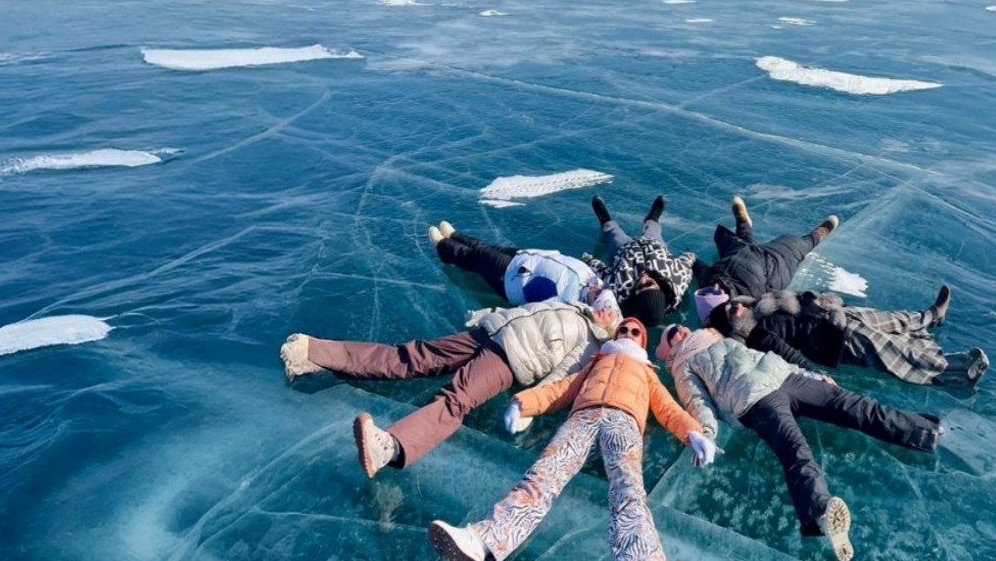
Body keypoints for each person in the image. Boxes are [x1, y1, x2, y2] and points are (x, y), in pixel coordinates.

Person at [428, 318, 718, 561]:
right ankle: (481, 541)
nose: (628, 333)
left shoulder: (646, 372)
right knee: (543, 476)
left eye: (635, 331)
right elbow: (560, 389)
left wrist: (693, 432)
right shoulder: (595, 363)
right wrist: (524, 403)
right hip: (583, 418)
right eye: (624, 329)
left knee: (628, 487)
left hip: (624, 422)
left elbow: (668, 409)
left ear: (642, 342)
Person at [657, 324, 940, 561]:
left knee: (856, 406)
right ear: (669, 350)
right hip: (756, 400)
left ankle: (922, 431)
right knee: (796, 452)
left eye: (679, 327)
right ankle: (822, 514)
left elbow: (768, 357)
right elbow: (697, 401)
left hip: (787, 378)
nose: (679, 330)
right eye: (671, 335)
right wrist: (705, 431)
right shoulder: (684, 367)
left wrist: (813, 376)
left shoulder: (720, 338)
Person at [279, 291, 622, 477]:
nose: (607, 311)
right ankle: (316, 353)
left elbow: (557, 380)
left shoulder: (589, 347)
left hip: (510, 361)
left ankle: (390, 447)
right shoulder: (572, 306)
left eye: (614, 315)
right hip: (488, 333)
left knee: (455, 401)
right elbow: (525, 312)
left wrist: (528, 405)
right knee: (413, 356)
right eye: (607, 306)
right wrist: (487, 314)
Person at [703, 285, 990, 387]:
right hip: (836, 343)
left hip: (836, 315)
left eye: (733, 303)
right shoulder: (755, 336)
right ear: (730, 327)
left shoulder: (762, 306)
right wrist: (815, 374)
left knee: (893, 319)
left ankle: (931, 316)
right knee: (895, 351)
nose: (736, 306)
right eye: (730, 311)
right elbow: (788, 354)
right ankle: (956, 370)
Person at [692, 196, 838, 307]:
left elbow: (699, 268)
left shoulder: (708, 280)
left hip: (741, 252)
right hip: (772, 263)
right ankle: (819, 233)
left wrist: (687, 259)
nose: (714, 287)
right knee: (797, 245)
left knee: (743, 240)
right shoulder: (750, 295)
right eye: (715, 294)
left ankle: (743, 221)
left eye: (705, 293)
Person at [584, 195, 696, 327]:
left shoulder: (621, 290)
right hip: (654, 245)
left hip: (624, 251)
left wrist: (589, 260)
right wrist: (690, 255)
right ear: (659, 288)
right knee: (653, 229)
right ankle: (652, 219)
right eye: (649, 283)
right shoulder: (676, 283)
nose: (643, 279)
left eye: (639, 287)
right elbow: (685, 266)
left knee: (613, 234)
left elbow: (604, 273)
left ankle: (605, 220)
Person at [430, 222, 600, 306]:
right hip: (529, 256)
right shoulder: (596, 283)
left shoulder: (570, 302)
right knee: (487, 248)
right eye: (601, 291)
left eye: (596, 296)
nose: (596, 290)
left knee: (477, 258)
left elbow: (539, 311)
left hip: (515, 277)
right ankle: (454, 235)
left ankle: (442, 246)